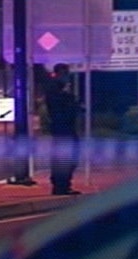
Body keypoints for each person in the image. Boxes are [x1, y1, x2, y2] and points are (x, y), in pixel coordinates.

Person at [44, 63, 82, 196]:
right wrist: (73, 103)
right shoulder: (56, 90)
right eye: (65, 73)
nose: (67, 77)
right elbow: (62, 109)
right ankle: (61, 185)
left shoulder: (61, 90)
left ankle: (63, 185)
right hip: (62, 129)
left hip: (64, 128)